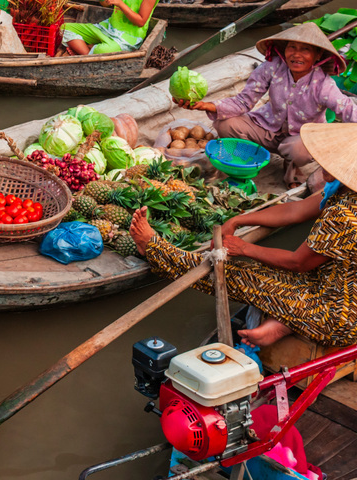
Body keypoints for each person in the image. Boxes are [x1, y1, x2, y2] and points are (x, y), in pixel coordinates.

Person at [129, 122, 357, 349]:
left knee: (236, 275)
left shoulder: (345, 215)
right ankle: (281, 324)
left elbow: (298, 262)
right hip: (325, 284)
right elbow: (295, 210)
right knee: (261, 271)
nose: (323, 170)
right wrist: (238, 220)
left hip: (337, 316)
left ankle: (152, 247)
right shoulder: (344, 190)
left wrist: (244, 248)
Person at [176, 22, 357, 188]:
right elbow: (244, 101)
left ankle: (292, 170)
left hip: (301, 137)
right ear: (284, 50)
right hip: (267, 127)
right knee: (225, 124)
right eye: (292, 47)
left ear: (317, 55)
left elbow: (348, 109)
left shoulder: (323, 85)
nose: (296, 54)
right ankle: (248, 162)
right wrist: (205, 106)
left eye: (305, 50)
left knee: (297, 150)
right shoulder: (273, 67)